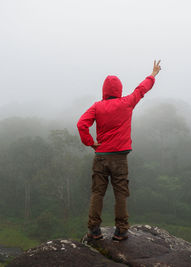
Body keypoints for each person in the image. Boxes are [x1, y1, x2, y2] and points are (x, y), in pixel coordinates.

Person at [77, 60, 162, 241]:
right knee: (120, 193)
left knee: (97, 192)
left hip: (100, 156)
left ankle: (94, 230)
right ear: (119, 90)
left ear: (104, 90)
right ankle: (121, 230)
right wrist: (153, 74)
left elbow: (81, 124)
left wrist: (90, 143)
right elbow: (141, 89)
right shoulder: (127, 103)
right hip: (120, 158)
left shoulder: (96, 106)